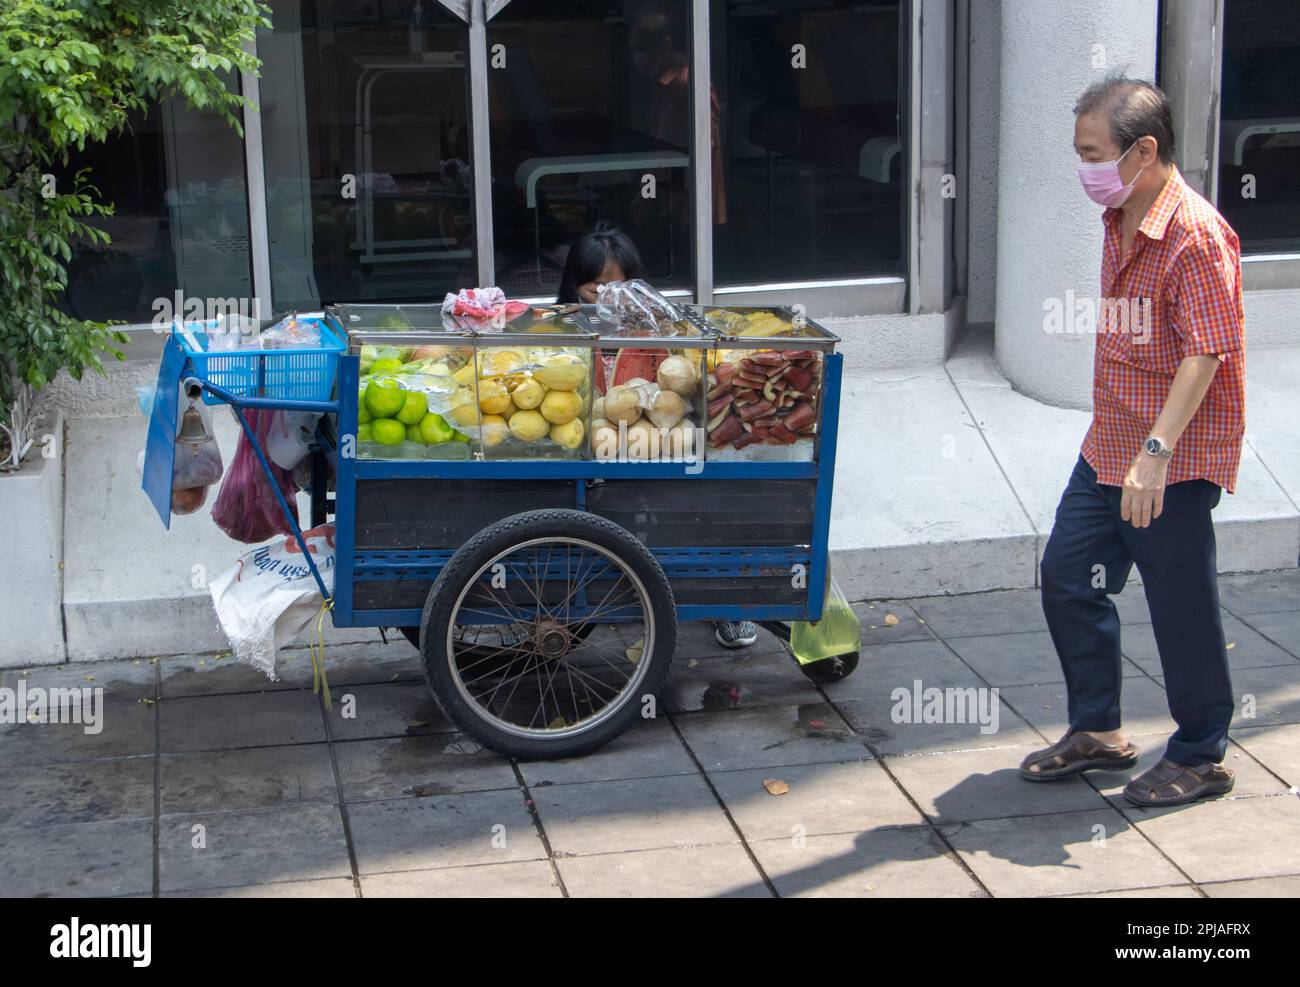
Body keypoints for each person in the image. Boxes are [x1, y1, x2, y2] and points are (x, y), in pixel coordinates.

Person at [1020, 77, 1245, 807]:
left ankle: (1202, 753)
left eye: (1093, 153)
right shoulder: (1122, 212)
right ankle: (1099, 730)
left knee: (1181, 604)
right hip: (1107, 442)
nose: (1083, 169)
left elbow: (1208, 351)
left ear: (1143, 151)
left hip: (1164, 461)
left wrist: (1155, 454)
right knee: (1066, 574)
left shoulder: (1196, 234)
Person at [557, 224, 758, 650]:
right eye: (595, 289)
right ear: (574, 288)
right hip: (582, 458)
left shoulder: (660, 332)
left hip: (651, 454)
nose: (608, 298)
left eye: (619, 287)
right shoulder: (559, 332)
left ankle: (724, 603)